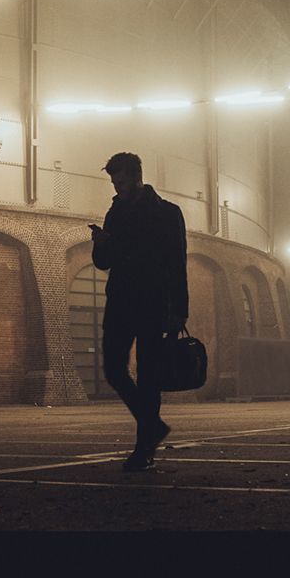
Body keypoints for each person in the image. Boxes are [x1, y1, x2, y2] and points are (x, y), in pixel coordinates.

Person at [90, 152, 188, 472]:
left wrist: (179, 311)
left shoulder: (168, 213)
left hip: (154, 302)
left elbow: (177, 264)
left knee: (148, 378)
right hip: (120, 301)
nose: (118, 189)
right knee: (114, 370)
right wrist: (101, 243)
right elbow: (104, 262)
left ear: (137, 176)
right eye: (114, 184)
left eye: (122, 182)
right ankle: (153, 425)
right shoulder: (114, 213)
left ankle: (144, 450)